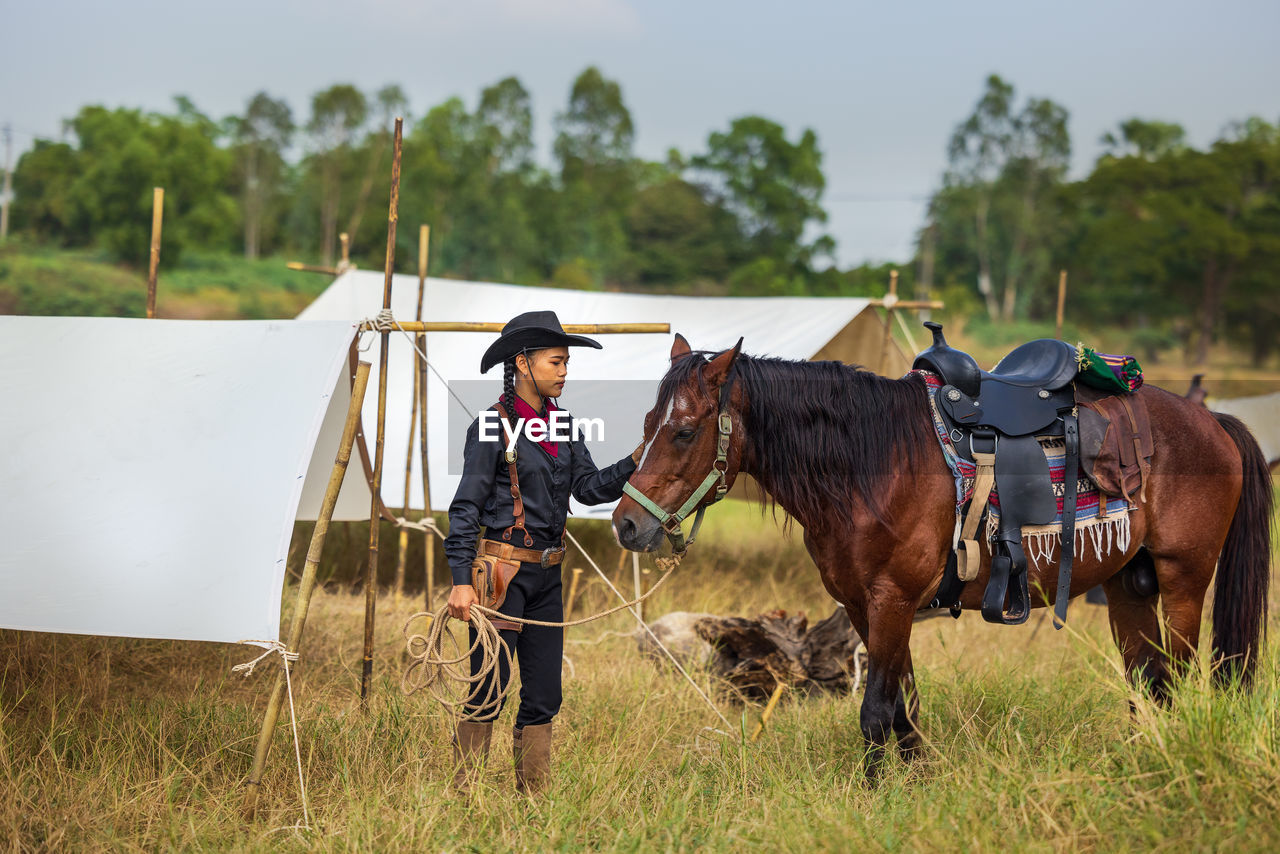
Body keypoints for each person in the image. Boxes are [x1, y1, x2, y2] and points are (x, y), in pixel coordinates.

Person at [443, 310, 642, 796]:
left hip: (548, 578)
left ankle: (533, 798)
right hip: (500, 576)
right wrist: (461, 580)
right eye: (556, 362)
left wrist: (638, 460)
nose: (564, 372)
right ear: (524, 364)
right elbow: (466, 506)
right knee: (489, 685)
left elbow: (590, 490)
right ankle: (462, 794)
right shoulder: (491, 426)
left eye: (567, 363)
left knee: (545, 694)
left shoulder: (567, 427)